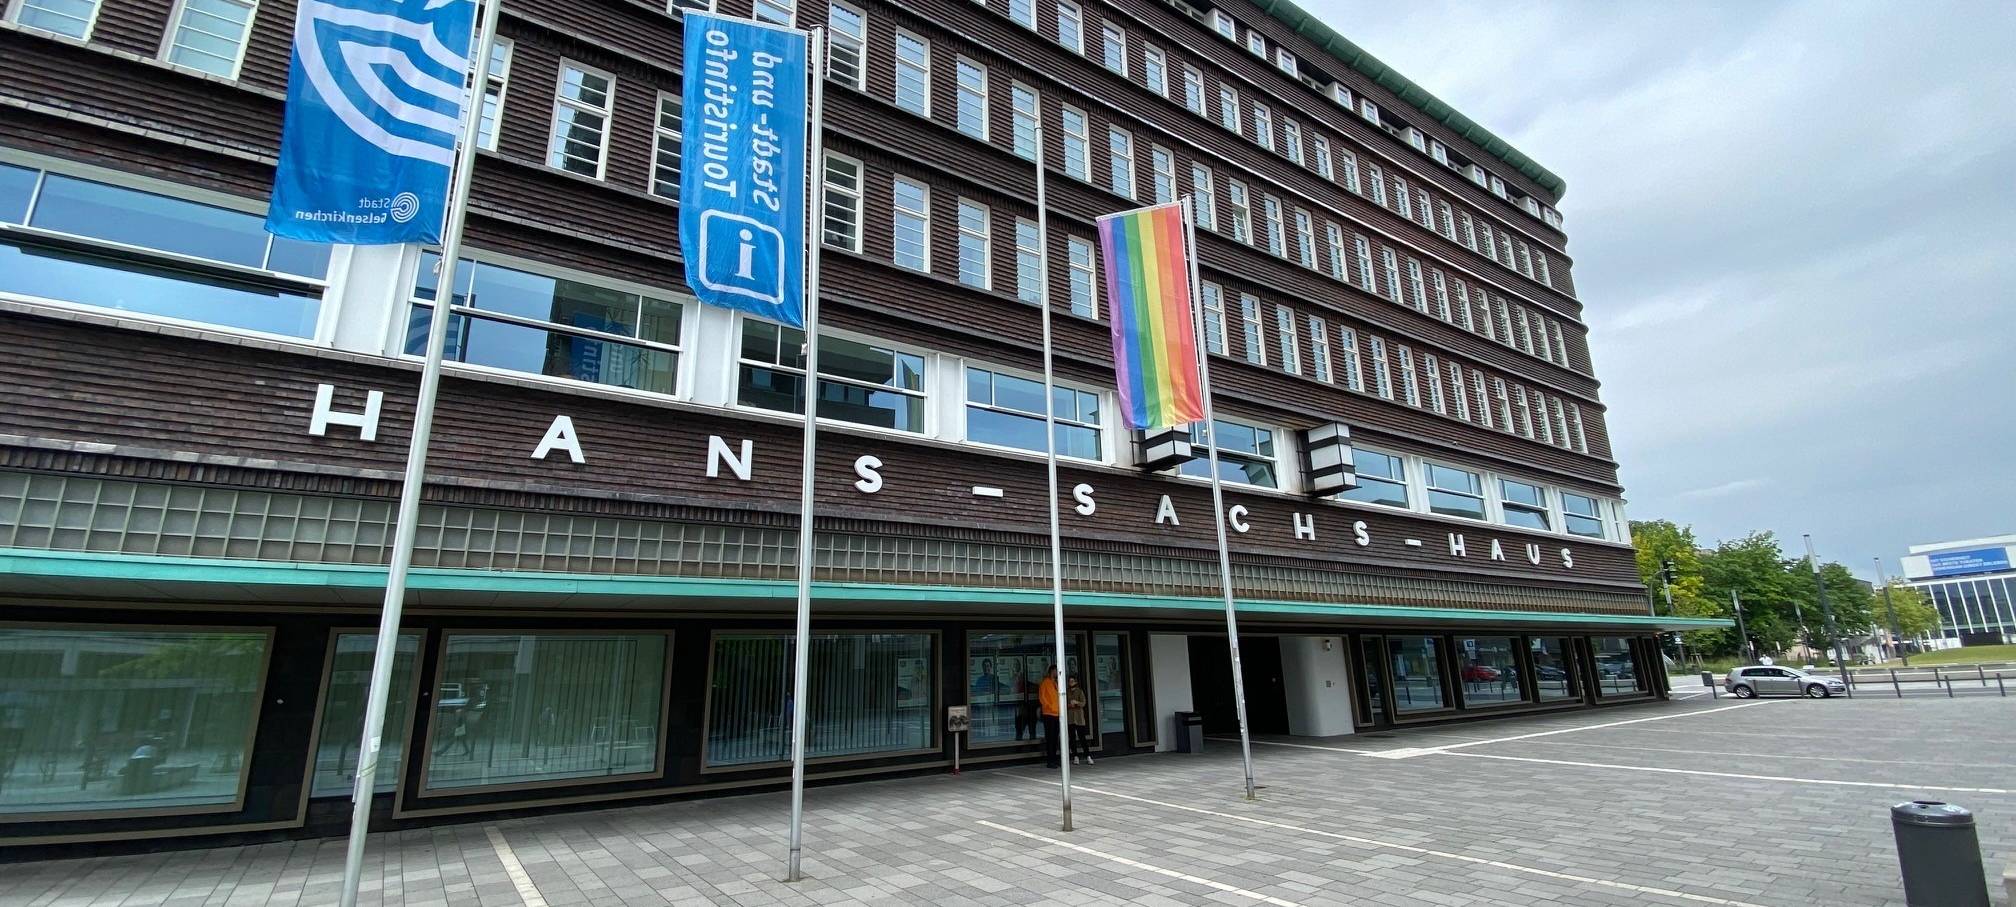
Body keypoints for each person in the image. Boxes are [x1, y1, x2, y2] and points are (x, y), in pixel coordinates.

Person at [1037, 666, 1061, 769]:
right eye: (1056, 671)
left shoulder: (1055, 683)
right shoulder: (1045, 682)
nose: (1057, 673)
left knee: (1055, 738)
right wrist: (1049, 706)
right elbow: (1042, 697)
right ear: (1052, 671)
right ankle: (1050, 761)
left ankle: (1054, 759)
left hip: (1057, 714)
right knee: (1050, 738)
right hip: (1049, 714)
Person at [1065, 677, 1093, 765]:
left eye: (1072, 681)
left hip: (1079, 718)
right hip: (1070, 718)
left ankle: (1088, 756)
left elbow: (1083, 703)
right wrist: (1070, 705)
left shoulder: (1079, 691)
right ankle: (1075, 756)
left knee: (1082, 738)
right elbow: (1064, 704)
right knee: (1072, 738)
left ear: (1076, 682)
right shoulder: (1066, 692)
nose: (1070, 683)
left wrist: (1076, 702)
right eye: (1069, 681)